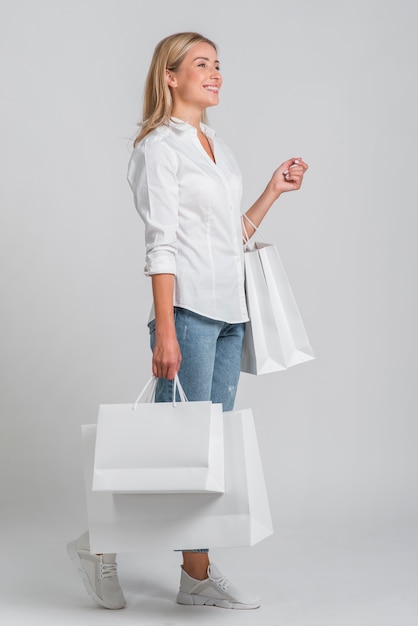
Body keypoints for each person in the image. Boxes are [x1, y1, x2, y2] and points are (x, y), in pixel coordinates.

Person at [67, 31, 308, 611]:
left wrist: (272, 191)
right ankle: (98, 544)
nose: (216, 73)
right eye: (202, 64)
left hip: (231, 314)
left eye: (219, 64)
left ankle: (194, 575)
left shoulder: (218, 148)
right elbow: (163, 245)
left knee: (207, 454)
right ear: (170, 76)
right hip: (189, 316)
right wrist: (167, 328)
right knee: (176, 448)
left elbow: (228, 240)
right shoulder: (158, 148)